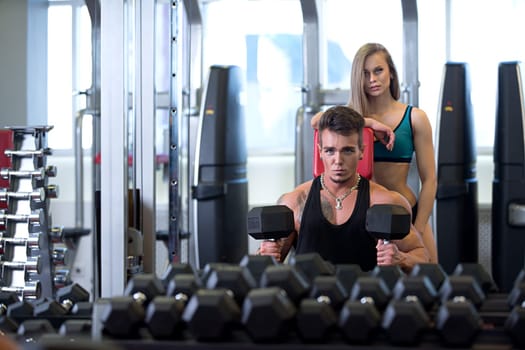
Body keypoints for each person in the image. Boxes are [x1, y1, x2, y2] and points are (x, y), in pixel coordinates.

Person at [258, 105, 430, 273]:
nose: (338, 160)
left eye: (347, 150)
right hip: (310, 299)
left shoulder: (385, 201)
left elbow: (422, 257)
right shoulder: (294, 202)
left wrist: (401, 258)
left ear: (361, 151)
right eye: (330, 151)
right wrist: (266, 256)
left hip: (365, 298)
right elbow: (270, 263)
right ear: (320, 152)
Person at [311, 43, 438, 263]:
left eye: (378, 70)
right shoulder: (351, 117)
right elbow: (316, 122)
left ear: (391, 71)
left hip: (405, 215)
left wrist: (417, 228)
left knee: (429, 281)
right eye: (365, 73)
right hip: (362, 217)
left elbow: (430, 180)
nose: (372, 79)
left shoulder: (415, 117)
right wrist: (368, 123)